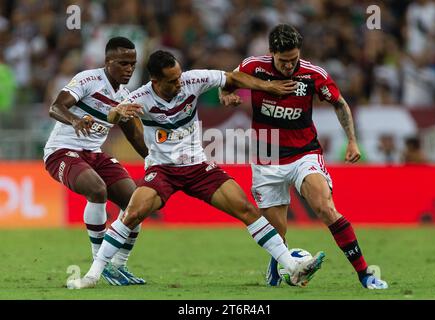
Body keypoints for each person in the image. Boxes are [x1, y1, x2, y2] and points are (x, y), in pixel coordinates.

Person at [66, 50, 326, 289]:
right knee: (132, 213)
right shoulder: (140, 98)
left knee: (246, 209)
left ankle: (293, 267)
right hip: (163, 170)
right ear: (155, 82)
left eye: (179, 76)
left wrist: (268, 86)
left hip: (199, 168)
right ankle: (92, 275)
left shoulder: (193, 80)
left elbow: (232, 77)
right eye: (172, 80)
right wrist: (118, 112)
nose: (179, 83)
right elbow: (113, 115)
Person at [220, 24, 388, 289]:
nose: (289, 66)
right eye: (283, 60)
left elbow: (339, 103)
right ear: (271, 53)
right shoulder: (253, 66)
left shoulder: (312, 74)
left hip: (304, 154)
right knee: (277, 232)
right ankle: (278, 267)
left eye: (293, 59)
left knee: (325, 208)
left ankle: (365, 273)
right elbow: (227, 82)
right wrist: (226, 95)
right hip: (267, 158)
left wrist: (353, 141)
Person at [44, 37, 148, 286]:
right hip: (62, 151)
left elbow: (134, 134)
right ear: (108, 61)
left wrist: (155, 160)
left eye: (132, 64)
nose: (129, 69)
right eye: (123, 63)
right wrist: (75, 120)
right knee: (97, 189)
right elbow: (55, 107)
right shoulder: (88, 80)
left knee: (136, 204)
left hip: (94, 154)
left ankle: (117, 266)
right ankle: (97, 263)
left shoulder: (124, 96)